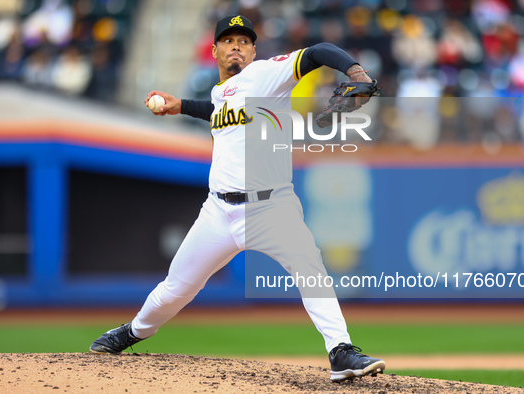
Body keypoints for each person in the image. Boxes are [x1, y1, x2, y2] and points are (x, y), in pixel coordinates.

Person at [90, 14, 385, 382]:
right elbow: (217, 110)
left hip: (271, 207)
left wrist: (355, 72)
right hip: (217, 212)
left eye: (244, 42)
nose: (237, 47)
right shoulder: (220, 91)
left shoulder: (266, 75)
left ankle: (341, 351)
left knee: (311, 270)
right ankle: (133, 331)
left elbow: (318, 52)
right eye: (229, 41)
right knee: (175, 289)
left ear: (254, 51)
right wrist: (179, 105)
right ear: (214, 50)